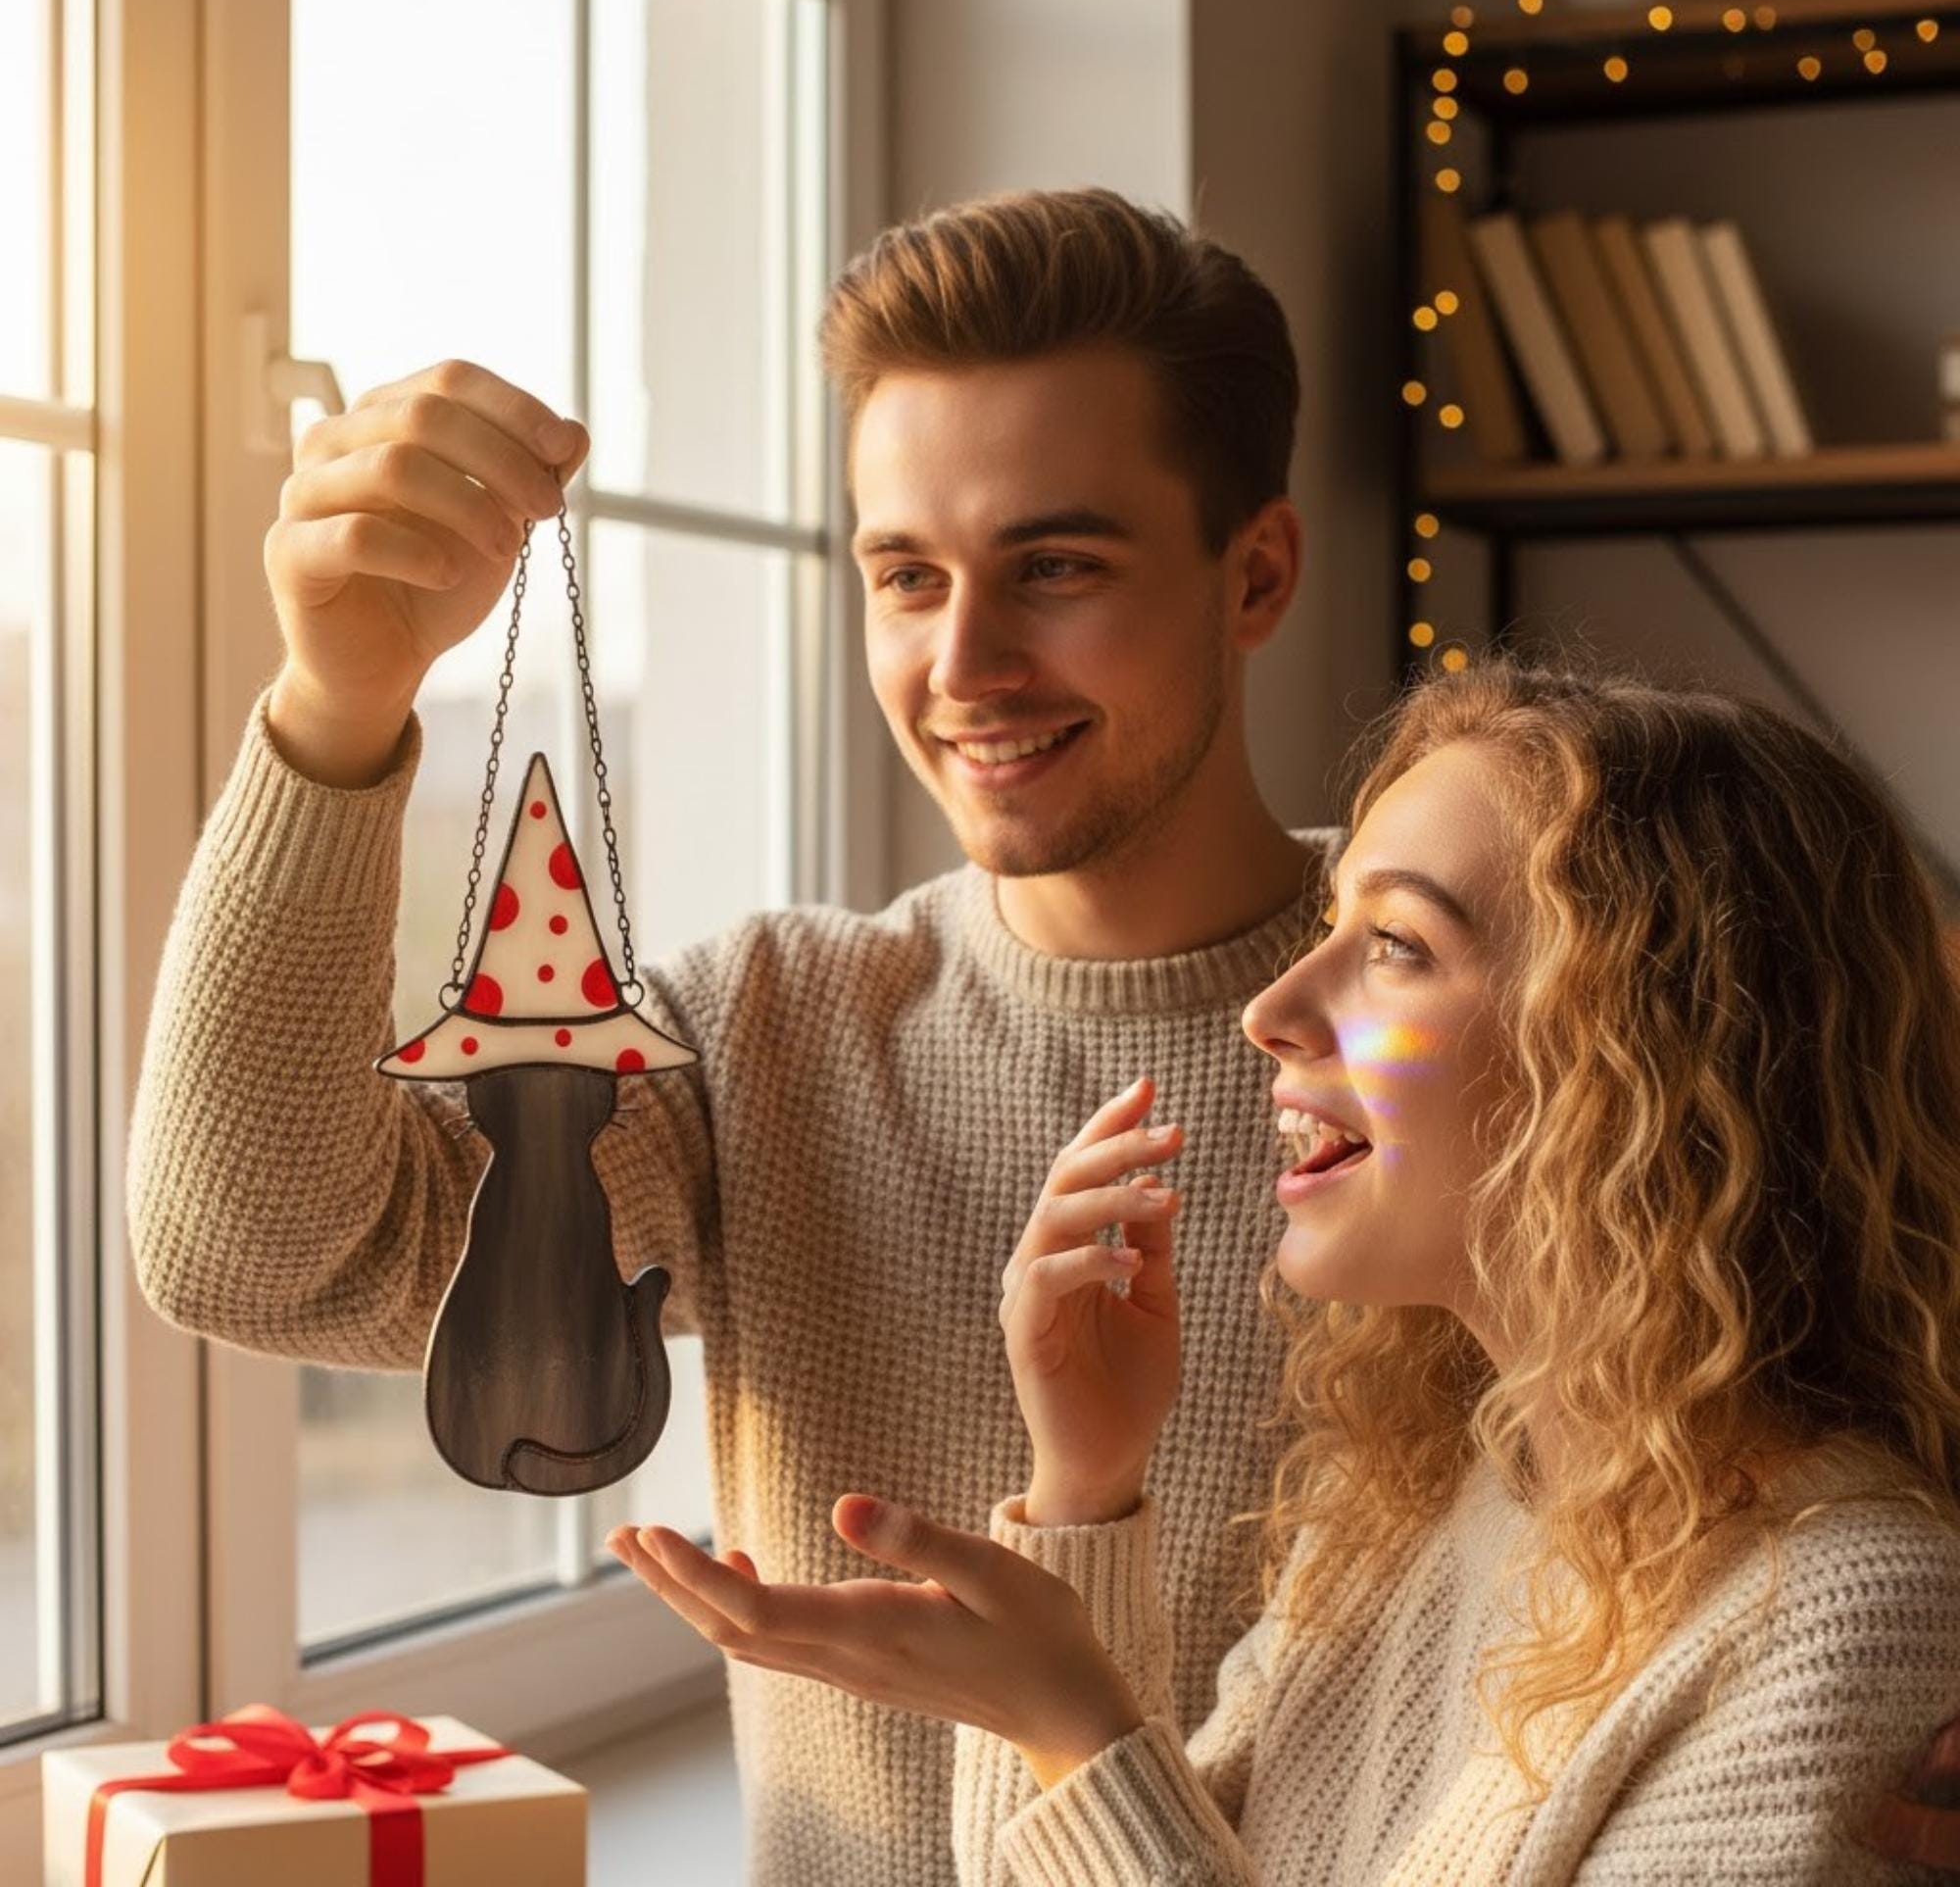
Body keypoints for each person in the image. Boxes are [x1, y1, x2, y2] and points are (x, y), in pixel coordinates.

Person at [125, 188, 1341, 1886]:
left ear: (1256, 574)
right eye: (906, 575)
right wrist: (336, 714)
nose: (964, 662)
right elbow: (262, 1261)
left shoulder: (1459, 1005)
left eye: (1056, 566)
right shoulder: (773, 1030)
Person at [605, 657, 1960, 1885]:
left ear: (1648, 1054)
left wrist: (1069, 1723)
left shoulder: (1845, 1621)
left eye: (1395, 947)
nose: (1273, 1009)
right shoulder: (1430, 1505)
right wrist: (1084, 1489)